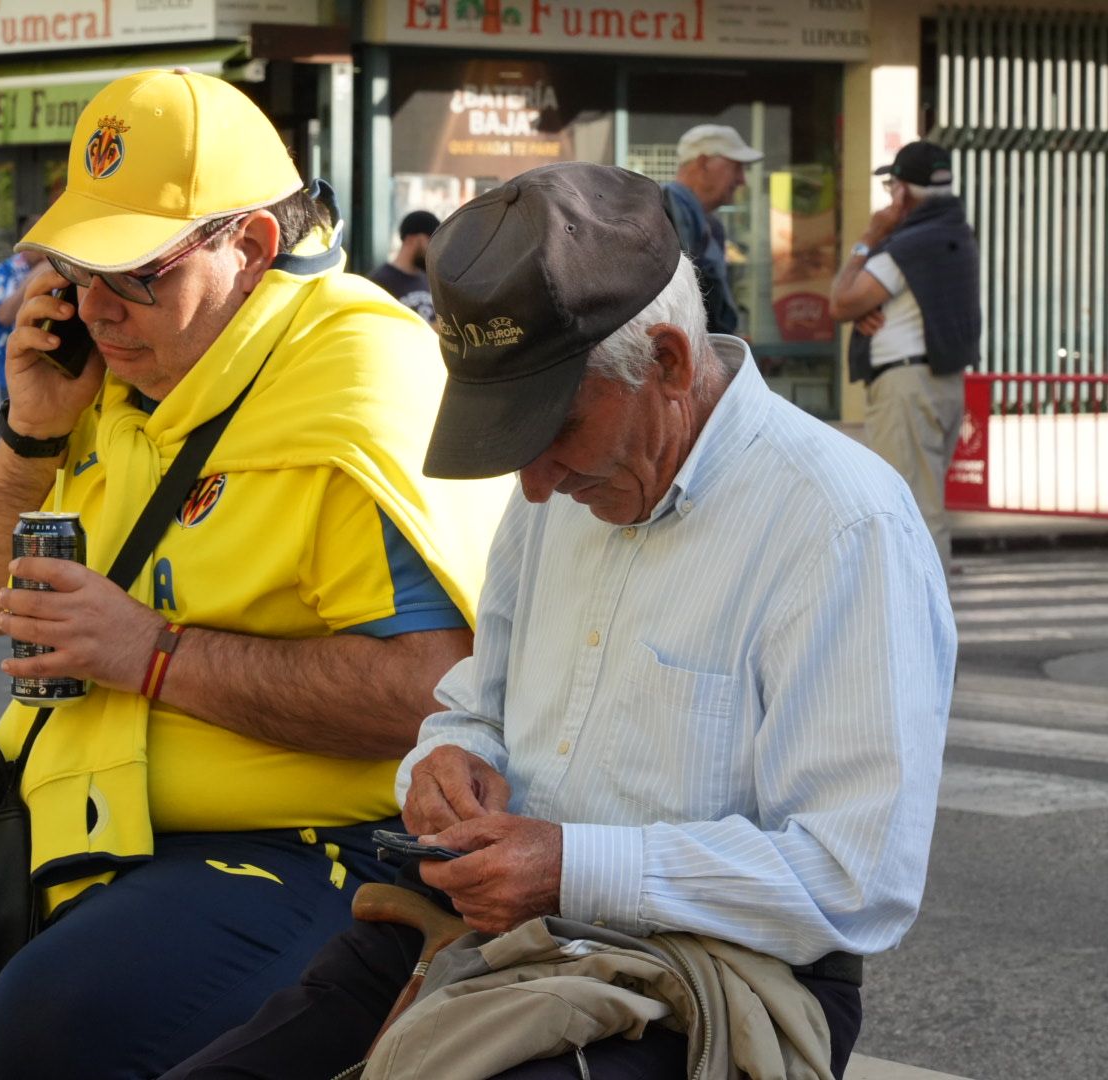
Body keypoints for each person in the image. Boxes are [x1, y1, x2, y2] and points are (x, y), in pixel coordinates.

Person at [0, 68, 508, 1080]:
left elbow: (432, 687)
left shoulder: (352, 378)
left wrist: (152, 655)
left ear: (247, 244)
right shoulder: (116, 372)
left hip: (309, 845)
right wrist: (31, 431)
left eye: (135, 272)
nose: (97, 307)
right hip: (73, 816)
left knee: (55, 1019)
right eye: (78, 270)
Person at [165, 163, 956, 1080]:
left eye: (552, 433)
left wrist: (576, 865)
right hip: (499, 929)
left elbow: (854, 879)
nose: (534, 484)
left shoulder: (840, 523)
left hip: (719, 975)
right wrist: (447, 765)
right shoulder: (555, 496)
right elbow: (476, 707)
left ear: (667, 362)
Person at [830, 140, 980, 576]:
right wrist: (869, 310)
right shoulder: (954, 232)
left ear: (903, 192)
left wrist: (868, 239)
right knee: (924, 502)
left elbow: (840, 302)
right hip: (937, 383)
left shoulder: (910, 245)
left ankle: (922, 628)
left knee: (912, 507)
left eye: (892, 184)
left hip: (906, 388)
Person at [663, 124, 762, 335]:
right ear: (704, 162)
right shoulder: (666, 208)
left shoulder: (709, 224)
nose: (742, 180)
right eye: (736, 167)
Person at [0, 247, 44, 394]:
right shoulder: (6, 270)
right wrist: (34, 277)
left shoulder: (59, 267)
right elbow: (2, 315)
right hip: (11, 373)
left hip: (50, 371)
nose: (45, 254)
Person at [367, 209, 438, 324]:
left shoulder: (429, 280)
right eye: (430, 240)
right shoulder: (378, 282)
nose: (434, 248)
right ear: (411, 239)